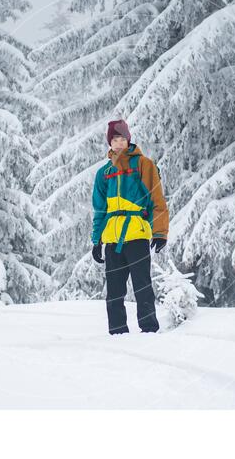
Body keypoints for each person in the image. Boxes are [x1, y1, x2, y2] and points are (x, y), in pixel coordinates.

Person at [91, 119, 169, 334]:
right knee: (114, 290)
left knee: (142, 285)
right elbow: (99, 210)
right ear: (110, 142)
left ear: (128, 140)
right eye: (114, 139)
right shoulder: (104, 173)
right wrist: (96, 240)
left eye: (122, 138)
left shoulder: (144, 164)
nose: (118, 143)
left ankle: (149, 329)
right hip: (112, 238)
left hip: (137, 235)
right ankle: (117, 332)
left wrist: (160, 232)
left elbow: (157, 199)